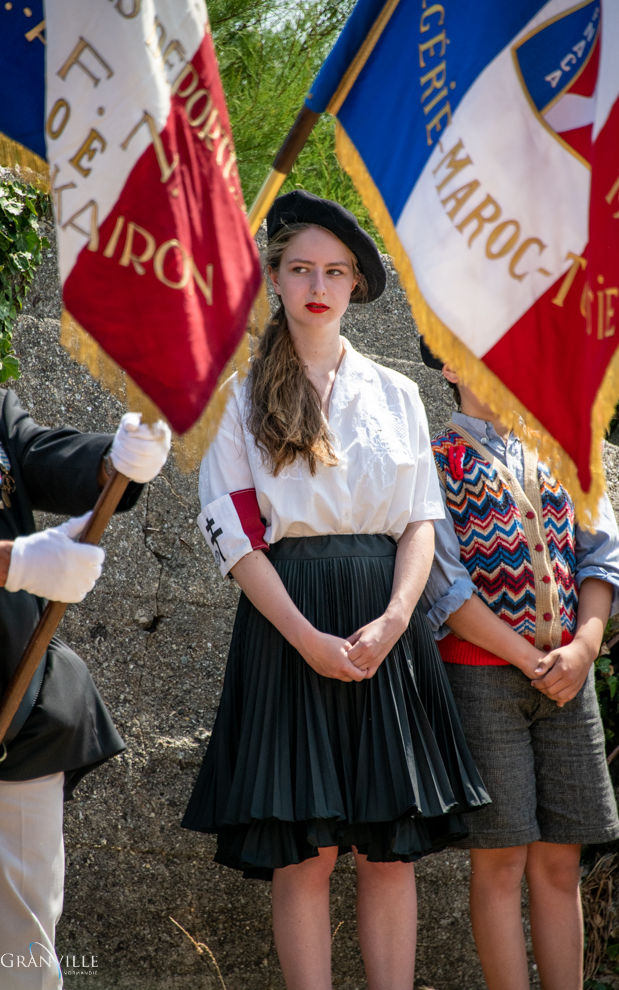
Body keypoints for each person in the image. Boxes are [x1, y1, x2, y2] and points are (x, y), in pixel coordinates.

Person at [182, 190, 490, 990]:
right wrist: (308, 641)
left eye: (335, 271)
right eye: (299, 269)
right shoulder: (239, 395)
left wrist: (394, 620)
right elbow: (237, 538)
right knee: (308, 851)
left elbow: (420, 522)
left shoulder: (395, 392)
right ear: (276, 279)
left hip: (387, 627)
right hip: (291, 625)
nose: (317, 284)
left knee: (387, 850)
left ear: (355, 286)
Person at [420, 339, 619, 990]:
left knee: (561, 860)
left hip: (569, 678)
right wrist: (528, 657)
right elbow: (444, 588)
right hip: (481, 678)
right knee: (501, 860)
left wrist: (584, 648)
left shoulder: (563, 450)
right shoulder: (434, 462)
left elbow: (599, 557)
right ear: (449, 366)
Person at [0, 397, 170, 989]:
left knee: (22, 953)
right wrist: (8, 563)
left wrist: (113, 460)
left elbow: (43, 456)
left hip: (14, 720)